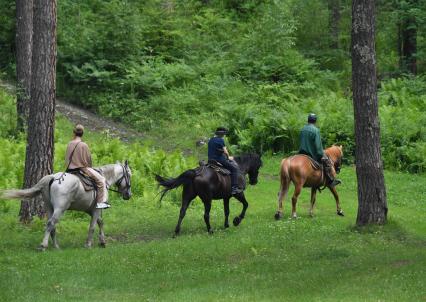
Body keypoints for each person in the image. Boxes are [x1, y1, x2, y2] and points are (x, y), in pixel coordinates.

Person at [65, 124, 110, 209]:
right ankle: (101, 202)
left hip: (69, 169)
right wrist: (89, 166)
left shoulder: (70, 143)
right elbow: (88, 160)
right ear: (82, 133)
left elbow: (66, 158)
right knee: (101, 180)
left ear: (74, 133)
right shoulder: (84, 145)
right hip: (82, 169)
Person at [298, 113, 341, 187]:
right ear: (315, 121)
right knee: (328, 162)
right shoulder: (316, 130)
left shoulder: (303, 129)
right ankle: (331, 181)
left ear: (308, 120)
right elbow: (318, 147)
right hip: (311, 155)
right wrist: (321, 154)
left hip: (301, 153)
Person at [207, 127, 242, 195]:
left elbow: (215, 150)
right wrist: (229, 157)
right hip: (219, 160)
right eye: (224, 134)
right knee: (234, 169)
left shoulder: (211, 139)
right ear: (222, 134)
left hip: (210, 160)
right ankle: (234, 188)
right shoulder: (221, 140)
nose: (224, 135)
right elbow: (226, 152)